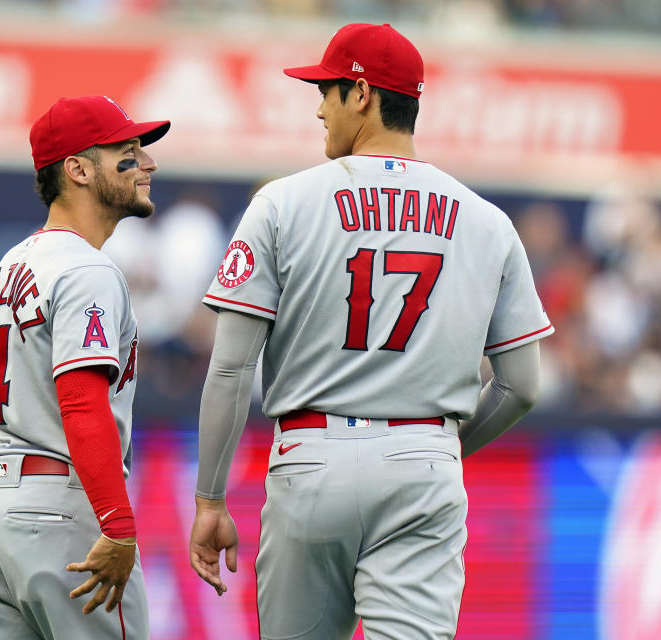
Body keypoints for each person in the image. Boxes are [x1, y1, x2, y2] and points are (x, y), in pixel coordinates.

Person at [188, 23, 553, 640]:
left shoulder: (282, 202)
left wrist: (209, 499)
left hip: (312, 457)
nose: (318, 105)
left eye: (327, 89)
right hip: (423, 460)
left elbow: (230, 368)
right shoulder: (488, 221)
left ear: (362, 94)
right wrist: (437, 453)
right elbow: (522, 387)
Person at [0, 95, 170, 640]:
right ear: (76, 169)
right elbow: (80, 400)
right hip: (59, 509)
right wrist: (118, 527)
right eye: (127, 150)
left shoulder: (4, 268)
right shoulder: (87, 268)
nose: (147, 162)